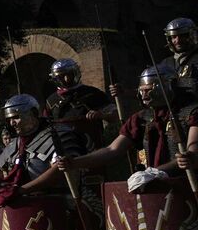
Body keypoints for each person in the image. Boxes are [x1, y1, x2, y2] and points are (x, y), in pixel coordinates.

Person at [62, 67, 197, 184]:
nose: (143, 95)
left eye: (148, 90)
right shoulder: (141, 118)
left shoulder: (190, 114)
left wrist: (156, 172)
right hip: (154, 187)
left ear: (166, 87)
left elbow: (193, 152)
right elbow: (112, 150)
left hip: (188, 184)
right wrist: (74, 163)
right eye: (142, 90)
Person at [44, 59, 118, 142]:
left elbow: (115, 116)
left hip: (92, 144)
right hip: (66, 145)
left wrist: (102, 115)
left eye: (69, 75)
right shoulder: (51, 101)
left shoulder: (93, 93)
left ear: (76, 73)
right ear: (55, 78)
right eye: (61, 76)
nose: (66, 79)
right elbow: (46, 126)